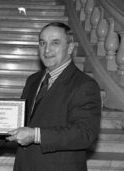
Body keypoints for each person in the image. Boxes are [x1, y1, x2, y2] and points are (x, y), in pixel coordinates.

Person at [6, 22, 101, 171]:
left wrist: (36, 135)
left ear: (70, 48)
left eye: (55, 43)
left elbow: (84, 134)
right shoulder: (33, 80)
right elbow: (21, 121)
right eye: (42, 43)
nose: (47, 49)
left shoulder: (85, 85)